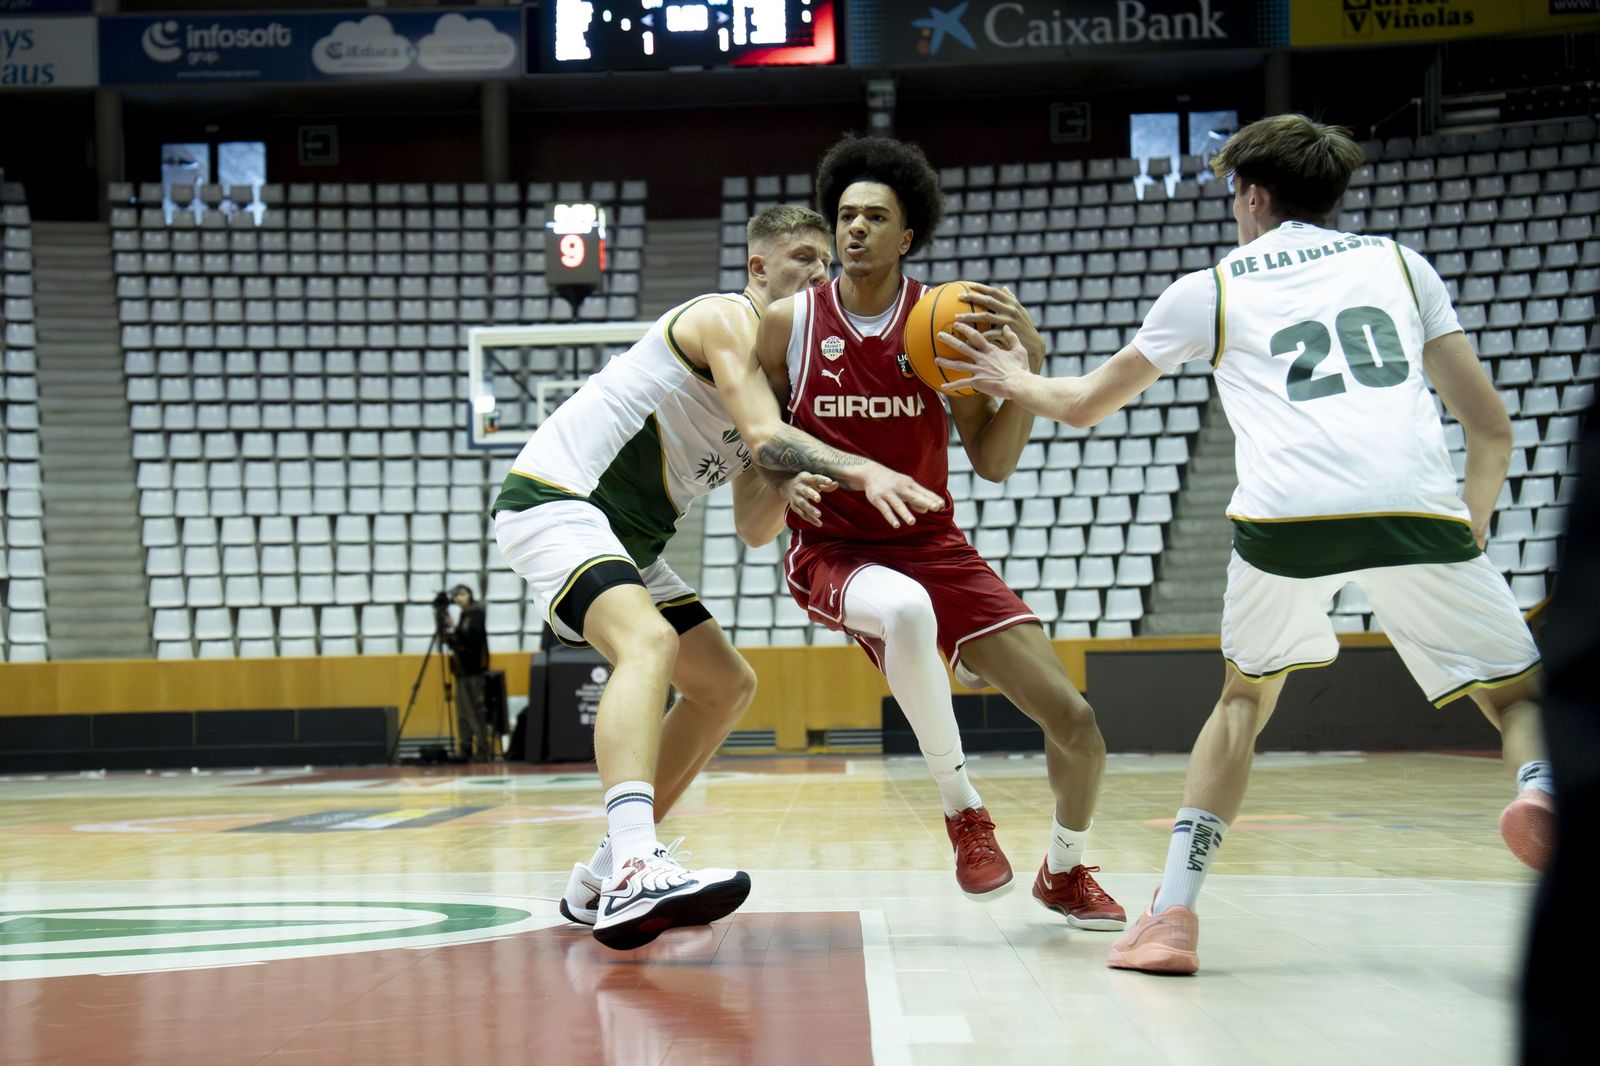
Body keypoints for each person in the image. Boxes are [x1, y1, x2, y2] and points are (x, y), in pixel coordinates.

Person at [936, 113, 1556, 974]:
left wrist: (1012, 377)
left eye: (1234, 195)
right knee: (1519, 699)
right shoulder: (1402, 266)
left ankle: (1172, 917)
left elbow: (1082, 406)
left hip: (1287, 518)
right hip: (1417, 508)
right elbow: (1490, 428)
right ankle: (1544, 790)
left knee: (1242, 703)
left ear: (1255, 196)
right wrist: (1471, 521)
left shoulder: (1213, 288)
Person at [491, 204, 939, 950]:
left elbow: (752, 528)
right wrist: (862, 468)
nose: (819, 274)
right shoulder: (723, 319)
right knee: (648, 642)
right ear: (758, 268)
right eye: (802, 258)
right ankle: (637, 863)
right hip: (559, 498)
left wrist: (787, 484)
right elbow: (763, 437)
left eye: (825, 264)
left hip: (630, 539)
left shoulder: (782, 384)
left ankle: (601, 877)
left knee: (726, 685)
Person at [742, 134, 1126, 929]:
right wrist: (780, 476)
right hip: (835, 549)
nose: (855, 228)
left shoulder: (942, 321)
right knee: (906, 610)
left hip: (932, 544)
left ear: (908, 235)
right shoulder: (788, 325)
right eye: (846, 215)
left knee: (1076, 722)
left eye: (875, 217)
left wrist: (1028, 367)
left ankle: (1064, 870)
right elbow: (757, 437)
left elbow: (993, 461)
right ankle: (964, 812)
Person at [442, 584, 493, 761]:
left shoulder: (477, 614)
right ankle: (465, 747)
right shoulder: (465, 615)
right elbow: (461, 640)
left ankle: (482, 749)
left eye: (462, 594)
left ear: (470, 595)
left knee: (475, 710)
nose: (458, 598)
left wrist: (454, 628)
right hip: (462, 669)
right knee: (463, 711)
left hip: (473, 670)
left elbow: (474, 640)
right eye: (456, 595)